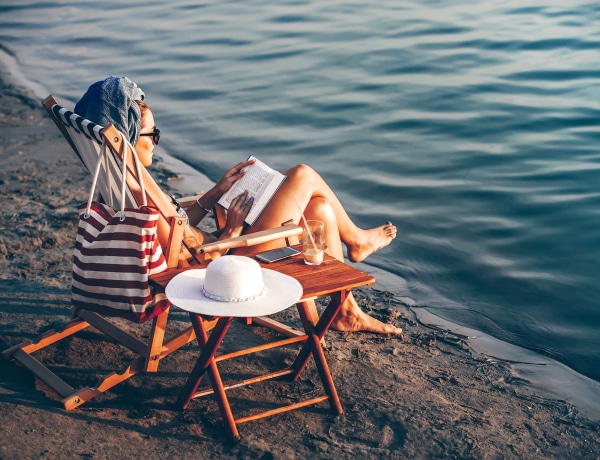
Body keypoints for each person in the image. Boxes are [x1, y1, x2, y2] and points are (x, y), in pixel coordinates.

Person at [75, 76, 401, 335]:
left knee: (320, 211)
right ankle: (357, 241)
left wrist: (217, 191)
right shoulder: (139, 187)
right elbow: (181, 251)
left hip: (214, 251)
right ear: (129, 135)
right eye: (152, 133)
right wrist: (231, 229)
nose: (157, 140)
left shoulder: (121, 178)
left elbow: (172, 230)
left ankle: (345, 313)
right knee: (302, 175)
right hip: (223, 263)